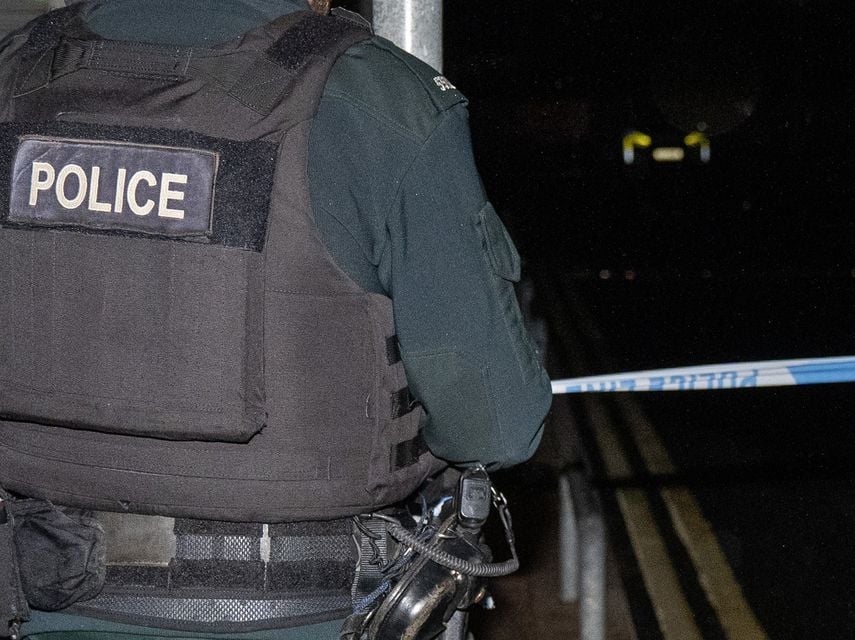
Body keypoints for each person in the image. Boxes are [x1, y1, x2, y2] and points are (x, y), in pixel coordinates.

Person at [0, 1, 552, 638]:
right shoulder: (375, 97)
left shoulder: (16, 72)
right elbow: (497, 424)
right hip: (303, 613)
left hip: (34, 599)